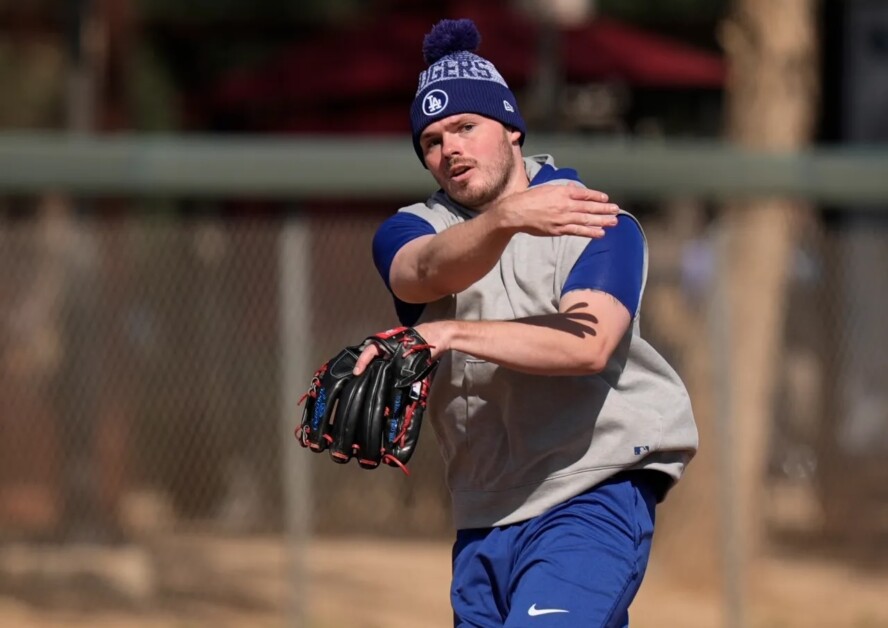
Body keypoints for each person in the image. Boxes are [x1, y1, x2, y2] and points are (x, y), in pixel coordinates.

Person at [354, 18, 698, 627]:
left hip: (590, 490)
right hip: (484, 515)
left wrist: (449, 333)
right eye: (431, 141)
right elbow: (418, 272)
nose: (449, 149)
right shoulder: (413, 228)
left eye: (465, 126)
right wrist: (505, 220)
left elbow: (587, 346)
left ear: (511, 129)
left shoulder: (596, 221)